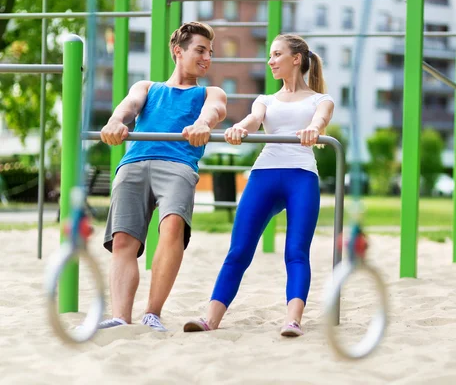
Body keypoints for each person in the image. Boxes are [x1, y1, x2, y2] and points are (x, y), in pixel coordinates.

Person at [183, 34, 334, 337]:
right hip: (264, 173)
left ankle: (293, 320)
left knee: (296, 251)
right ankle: (211, 318)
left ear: (296, 59)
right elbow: (254, 119)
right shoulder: (265, 99)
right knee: (238, 250)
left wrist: (312, 130)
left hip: (301, 175)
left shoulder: (320, 99)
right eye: (269, 55)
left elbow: (320, 120)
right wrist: (240, 127)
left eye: (277, 55)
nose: (271, 61)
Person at [97, 22, 227, 331]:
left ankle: (152, 313)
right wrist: (115, 121)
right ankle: (120, 316)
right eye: (200, 50)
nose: (206, 57)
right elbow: (128, 107)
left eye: (210, 53)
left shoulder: (210, 91)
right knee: (123, 240)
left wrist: (203, 123)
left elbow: (216, 109)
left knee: (172, 228)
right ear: (178, 51)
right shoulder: (147, 87)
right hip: (135, 162)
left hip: (178, 165)